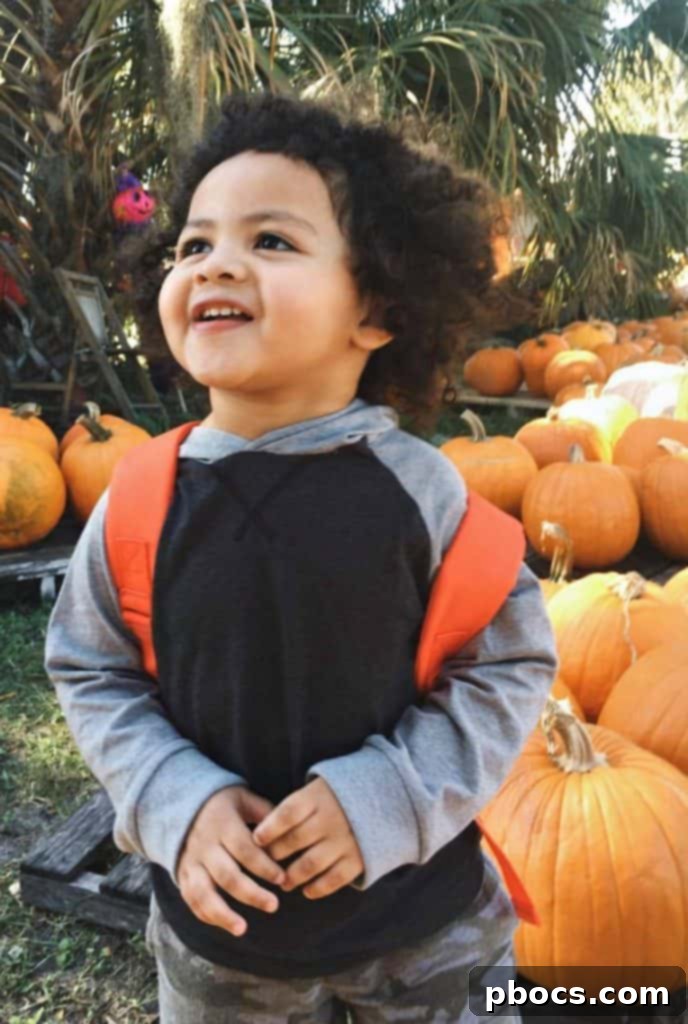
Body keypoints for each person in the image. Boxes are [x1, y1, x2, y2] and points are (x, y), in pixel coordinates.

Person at [45, 92, 557, 1023]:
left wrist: (392, 793)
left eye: (270, 241)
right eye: (193, 245)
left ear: (377, 310)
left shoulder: (428, 498)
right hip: (225, 961)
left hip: (431, 942)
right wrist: (173, 797)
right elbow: (91, 671)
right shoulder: (139, 498)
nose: (216, 264)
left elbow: (509, 662)